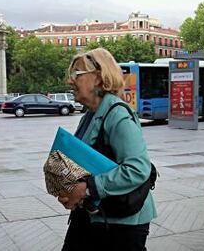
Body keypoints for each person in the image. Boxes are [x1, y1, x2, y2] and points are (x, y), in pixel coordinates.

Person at [58, 48, 156, 251]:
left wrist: (86, 189)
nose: (70, 81)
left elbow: (138, 169)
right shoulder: (89, 115)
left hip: (122, 224)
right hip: (92, 215)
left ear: (99, 77)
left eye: (76, 74)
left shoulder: (117, 114)